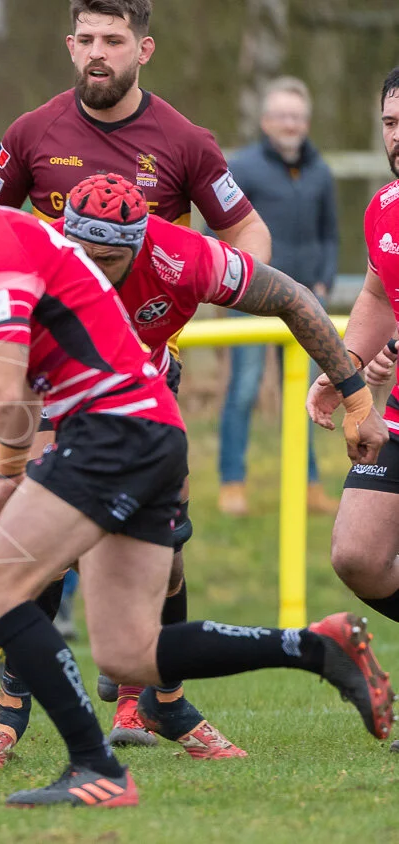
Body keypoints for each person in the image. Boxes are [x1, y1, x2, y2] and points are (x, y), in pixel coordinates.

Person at [0, 107, 391, 807]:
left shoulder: (24, 243)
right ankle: (315, 648)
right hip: (138, 427)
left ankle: (90, 763)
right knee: (128, 650)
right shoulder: (5, 238)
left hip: (114, 430)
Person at [0, 173, 382, 770]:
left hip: (144, 420)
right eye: (82, 254)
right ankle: (11, 709)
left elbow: (292, 299)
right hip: (58, 409)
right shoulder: (33, 255)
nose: (92, 270)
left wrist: (356, 399)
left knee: (158, 578)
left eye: (109, 258)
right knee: (27, 556)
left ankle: (165, 704)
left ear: (141, 242)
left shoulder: (182, 256)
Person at [0, 0, 276, 744]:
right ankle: (10, 707)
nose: (98, 53)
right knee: (35, 541)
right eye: (86, 39)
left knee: (162, 552)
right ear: (69, 44)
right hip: (51, 380)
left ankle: (157, 701)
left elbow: (247, 234)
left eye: (114, 40)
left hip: (145, 382)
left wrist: (190, 299)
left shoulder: (184, 140)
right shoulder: (32, 132)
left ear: (144, 48)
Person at [310, 71, 399, 756]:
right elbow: (375, 290)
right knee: (357, 555)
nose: (397, 137)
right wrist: (341, 369)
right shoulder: (384, 207)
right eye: (390, 122)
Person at [219, 77, 341, 516]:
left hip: (307, 303)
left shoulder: (320, 171)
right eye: (282, 115)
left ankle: (308, 486)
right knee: (244, 391)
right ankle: (232, 483)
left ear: (306, 122)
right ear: (266, 121)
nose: (290, 124)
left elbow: (330, 235)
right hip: (252, 300)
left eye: (297, 116)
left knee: (306, 395)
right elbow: (223, 229)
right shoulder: (244, 167)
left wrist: (325, 279)